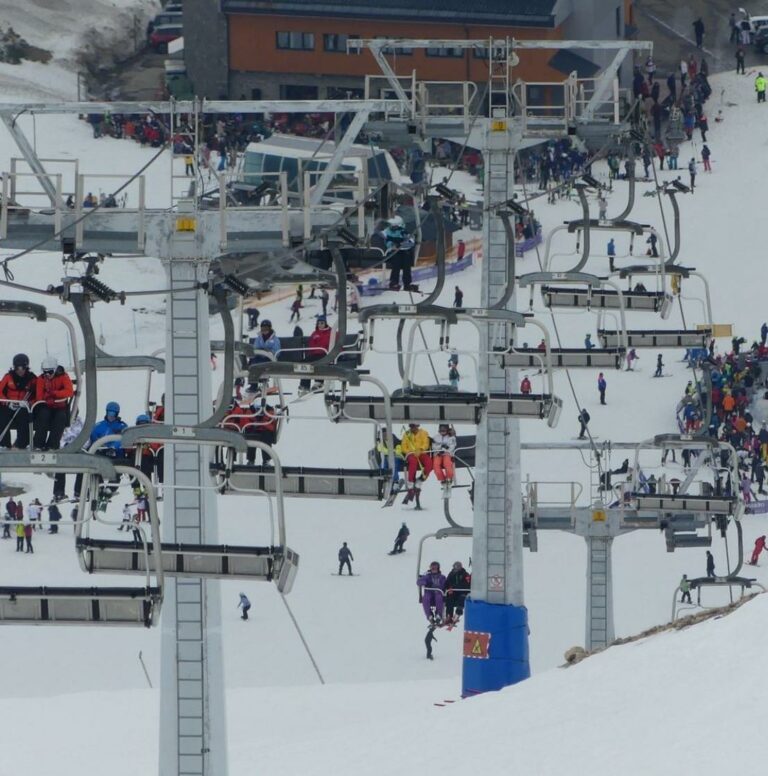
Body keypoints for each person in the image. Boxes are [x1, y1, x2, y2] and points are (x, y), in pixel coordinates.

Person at [32, 356, 74, 451]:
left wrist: (55, 394)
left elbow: (69, 391)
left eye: (50, 372)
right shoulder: (41, 379)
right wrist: (47, 398)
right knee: (43, 415)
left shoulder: (63, 377)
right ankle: (38, 444)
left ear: (55, 370)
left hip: (59, 406)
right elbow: (39, 396)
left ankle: (52, 445)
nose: (47, 375)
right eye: (45, 372)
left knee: (61, 417)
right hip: (45, 405)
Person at [0, 353, 37, 449]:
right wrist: (7, 402)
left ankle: (21, 444)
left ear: (26, 367)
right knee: (2, 416)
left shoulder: (32, 379)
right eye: (17, 368)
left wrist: (29, 403)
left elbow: (38, 394)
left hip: (23, 406)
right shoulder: (8, 377)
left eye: (23, 368)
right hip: (8, 405)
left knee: (24, 418)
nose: (20, 371)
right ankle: (4, 444)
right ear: (14, 367)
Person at [401, 422, 433, 505]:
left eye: (414, 426)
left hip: (421, 453)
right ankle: (411, 482)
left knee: (429, 463)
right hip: (411, 454)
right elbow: (403, 447)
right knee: (413, 462)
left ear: (417, 426)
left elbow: (426, 443)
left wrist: (421, 449)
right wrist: (410, 452)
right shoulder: (407, 434)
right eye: (411, 427)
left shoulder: (423, 433)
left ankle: (421, 479)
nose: (412, 428)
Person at [299, 316, 333, 393]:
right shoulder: (315, 333)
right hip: (315, 354)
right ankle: (305, 385)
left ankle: (319, 382)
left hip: (325, 354)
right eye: (319, 323)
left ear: (325, 324)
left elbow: (336, 343)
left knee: (319, 361)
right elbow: (311, 345)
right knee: (304, 362)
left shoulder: (331, 332)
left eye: (322, 323)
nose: (320, 325)